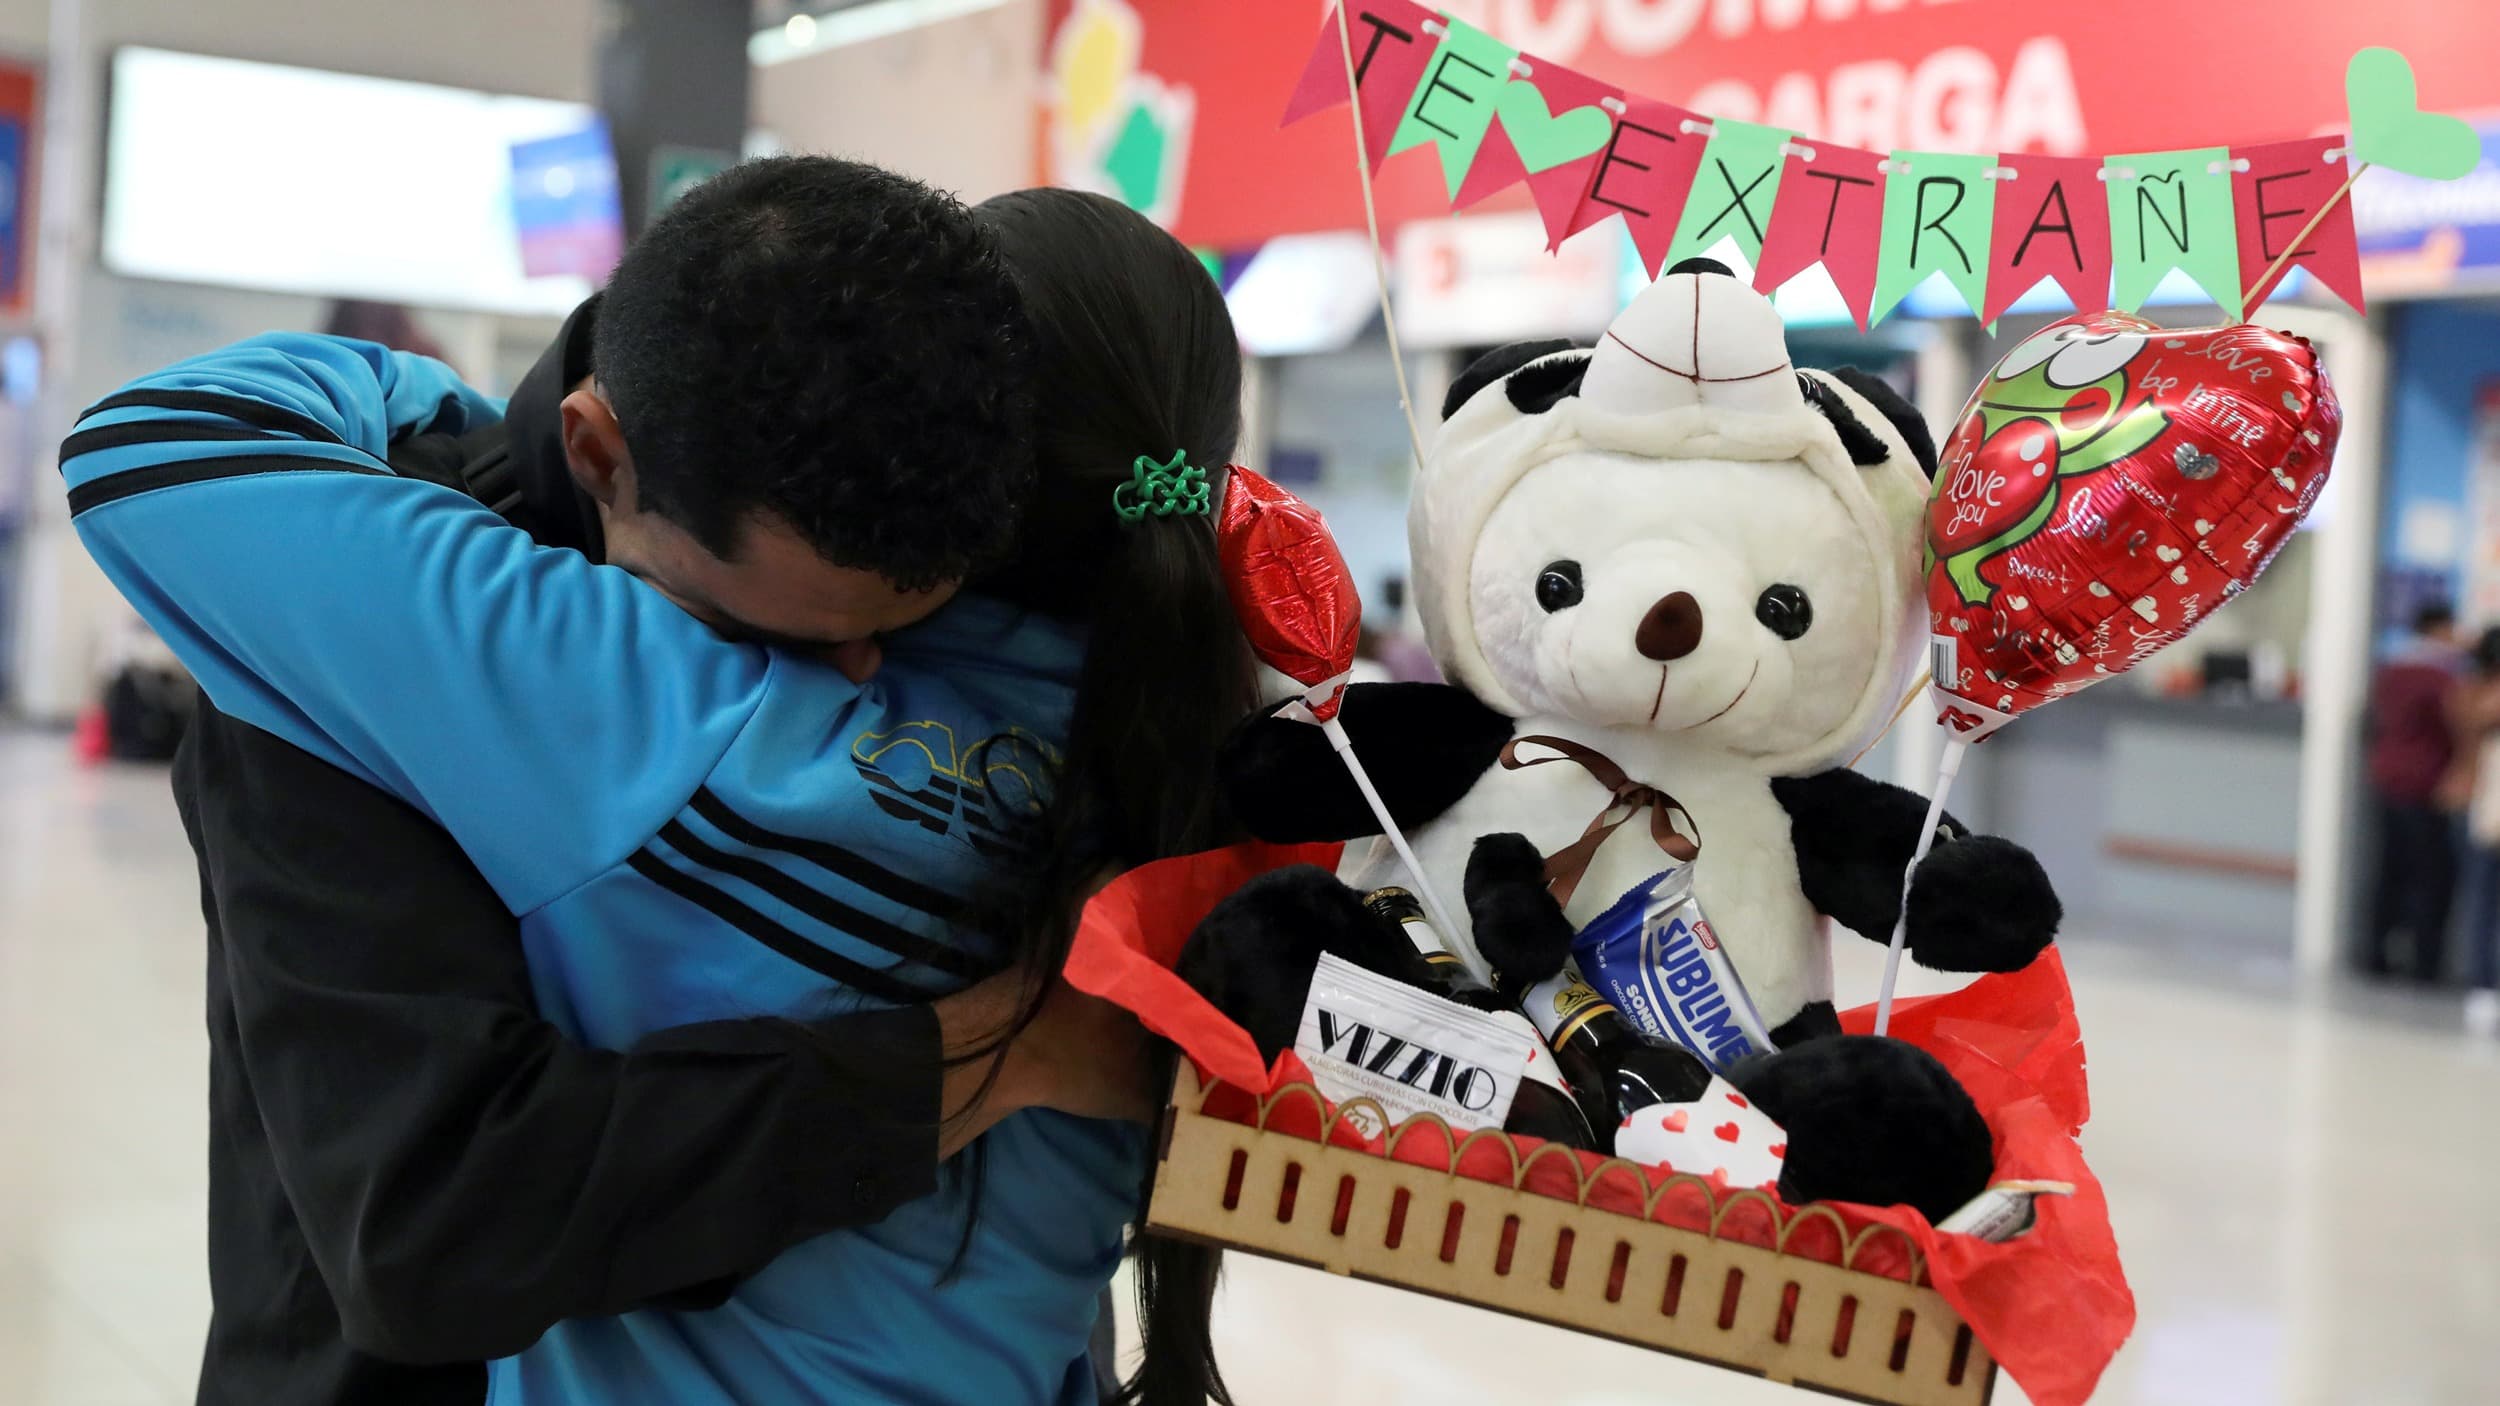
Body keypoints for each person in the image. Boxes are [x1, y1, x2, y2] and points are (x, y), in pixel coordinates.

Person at [73, 164, 1255, 1402]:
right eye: (784, 631)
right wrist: (998, 1050)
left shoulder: (611, 688)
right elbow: (421, 1219)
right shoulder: (1198, 761)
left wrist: (405, 390)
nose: (846, 669)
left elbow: (149, 446)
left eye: (879, 619)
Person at [2365, 600, 2466, 981]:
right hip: (2425, 784)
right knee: (2430, 879)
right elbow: (2457, 726)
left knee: (2390, 873)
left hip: (2388, 779)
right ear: (2441, 629)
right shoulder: (2441, 677)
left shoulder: (2392, 670)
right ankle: (2425, 962)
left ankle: (2378, 953)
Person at [2446, 624, 2500, 1032]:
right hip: (2479, 804)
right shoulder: (2472, 693)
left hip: (2479, 803)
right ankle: (2483, 986)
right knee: (2481, 900)